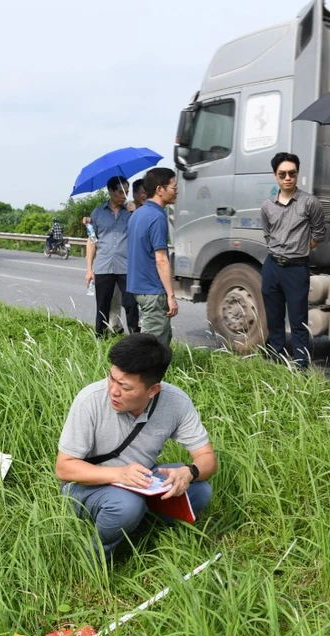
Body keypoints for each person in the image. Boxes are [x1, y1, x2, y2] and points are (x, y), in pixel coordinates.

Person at [56, 333, 217, 563]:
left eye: (125, 386)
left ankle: (141, 526)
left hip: (140, 481)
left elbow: (207, 459)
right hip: (87, 486)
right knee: (127, 506)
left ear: (153, 390)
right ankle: (94, 556)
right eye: (112, 378)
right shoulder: (90, 400)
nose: (113, 390)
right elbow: (64, 469)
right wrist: (119, 474)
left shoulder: (176, 402)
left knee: (200, 491)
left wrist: (189, 472)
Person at [260, 152, 326, 367]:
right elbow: (268, 233)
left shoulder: (309, 202)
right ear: (275, 176)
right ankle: (276, 363)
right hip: (272, 267)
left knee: (298, 322)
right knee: (274, 320)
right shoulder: (267, 206)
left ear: (297, 174)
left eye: (292, 173)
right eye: (282, 174)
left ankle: (300, 368)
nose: (288, 178)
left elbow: (318, 234)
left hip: (296, 269)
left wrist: (299, 250)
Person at [128, 168, 178, 346]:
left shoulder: (137, 214)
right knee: (151, 348)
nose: (176, 191)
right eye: (174, 186)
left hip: (138, 288)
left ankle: (157, 373)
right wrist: (171, 296)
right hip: (152, 290)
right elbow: (161, 259)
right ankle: (136, 374)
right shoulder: (157, 217)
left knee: (162, 340)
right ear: (160, 189)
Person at [86, 176, 139, 337]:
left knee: (130, 304)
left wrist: (136, 213)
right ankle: (100, 338)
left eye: (127, 192)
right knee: (102, 305)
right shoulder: (97, 213)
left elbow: (141, 234)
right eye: (120, 192)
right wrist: (89, 269)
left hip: (126, 266)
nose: (124, 196)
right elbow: (92, 240)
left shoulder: (132, 212)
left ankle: (136, 338)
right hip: (104, 266)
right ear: (110, 191)